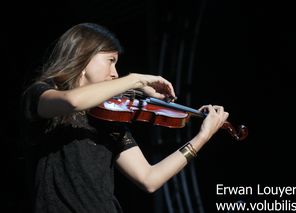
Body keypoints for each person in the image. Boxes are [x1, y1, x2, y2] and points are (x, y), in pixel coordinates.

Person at [20, 22, 229, 213]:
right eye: (110, 61)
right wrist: (135, 80)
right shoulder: (40, 94)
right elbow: (73, 102)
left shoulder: (108, 118)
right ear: (83, 56)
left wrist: (202, 137)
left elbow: (149, 178)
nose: (115, 73)